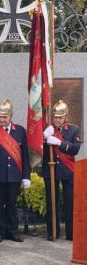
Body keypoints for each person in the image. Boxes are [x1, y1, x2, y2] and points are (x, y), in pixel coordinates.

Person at [0, 99, 31, 243]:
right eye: (0, 117)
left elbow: (24, 156)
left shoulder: (20, 131)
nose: (2, 120)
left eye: (5, 117)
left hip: (14, 175)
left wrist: (25, 177)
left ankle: (12, 231)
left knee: (12, 204)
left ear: (11, 116)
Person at [42, 100, 81, 241]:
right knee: (51, 201)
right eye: (55, 117)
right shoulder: (47, 129)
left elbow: (75, 149)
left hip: (67, 169)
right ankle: (53, 231)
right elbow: (36, 147)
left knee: (69, 201)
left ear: (66, 116)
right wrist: (44, 137)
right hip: (50, 169)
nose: (57, 120)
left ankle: (71, 233)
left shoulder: (73, 130)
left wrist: (59, 143)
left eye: (60, 117)